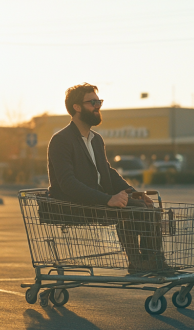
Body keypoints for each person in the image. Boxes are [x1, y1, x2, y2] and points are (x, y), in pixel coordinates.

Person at [47, 82, 169, 273]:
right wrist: (108, 199)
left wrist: (135, 194)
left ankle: (153, 262)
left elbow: (108, 173)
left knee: (146, 208)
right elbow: (67, 183)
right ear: (76, 107)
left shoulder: (96, 139)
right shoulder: (61, 140)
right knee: (132, 211)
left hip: (96, 201)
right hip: (75, 205)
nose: (98, 106)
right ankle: (139, 263)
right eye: (92, 102)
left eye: (99, 101)